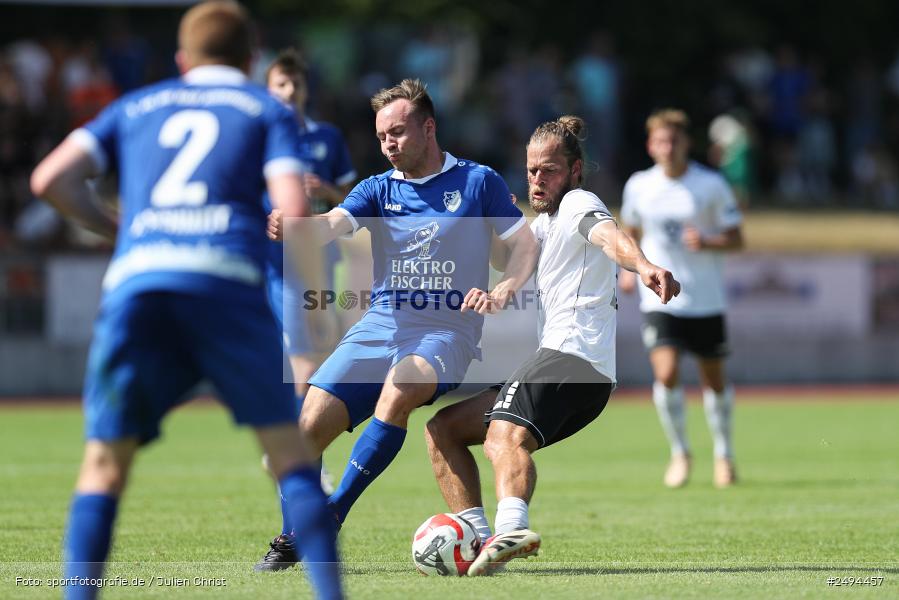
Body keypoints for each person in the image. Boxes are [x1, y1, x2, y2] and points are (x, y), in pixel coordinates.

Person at [29, 2, 342, 598]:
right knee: (290, 454)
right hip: (224, 283)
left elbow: (49, 180)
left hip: (139, 283)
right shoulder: (264, 109)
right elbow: (295, 211)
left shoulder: (135, 106)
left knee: (104, 464)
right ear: (250, 59)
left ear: (181, 59)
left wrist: (116, 227)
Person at [256, 78, 539, 570]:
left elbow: (524, 244)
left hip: (446, 332)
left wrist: (504, 289)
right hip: (380, 326)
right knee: (303, 433)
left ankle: (334, 513)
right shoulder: (377, 189)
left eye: (398, 132)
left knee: (400, 388)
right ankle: (293, 537)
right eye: (382, 135)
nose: (388, 143)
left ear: (428, 128)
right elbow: (332, 225)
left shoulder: (478, 182)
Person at [424, 115, 680, 576]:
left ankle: (511, 529)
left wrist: (643, 266)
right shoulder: (544, 224)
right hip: (578, 371)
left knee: (503, 435)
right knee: (444, 429)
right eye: (531, 171)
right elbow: (510, 257)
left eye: (549, 170)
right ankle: (480, 543)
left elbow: (609, 237)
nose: (537, 180)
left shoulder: (580, 202)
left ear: (575, 171)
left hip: (574, 357)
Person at [256, 50, 356, 547]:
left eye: (295, 83)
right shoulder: (257, 135)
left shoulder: (326, 138)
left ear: (306, 88)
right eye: (281, 84)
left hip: (316, 267)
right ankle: (297, 454)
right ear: (268, 88)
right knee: (300, 366)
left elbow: (353, 197)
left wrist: (328, 190)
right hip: (273, 267)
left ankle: (293, 449)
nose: (289, 92)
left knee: (306, 364)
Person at [619, 108, 744, 489]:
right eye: (661, 140)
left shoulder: (711, 184)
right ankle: (680, 452)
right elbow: (631, 232)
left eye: (674, 140)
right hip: (660, 297)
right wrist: (630, 270)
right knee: (666, 372)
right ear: (650, 146)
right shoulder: (639, 185)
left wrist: (707, 241)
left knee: (714, 381)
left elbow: (737, 238)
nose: (668, 147)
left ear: (686, 143)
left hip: (704, 297)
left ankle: (724, 454)